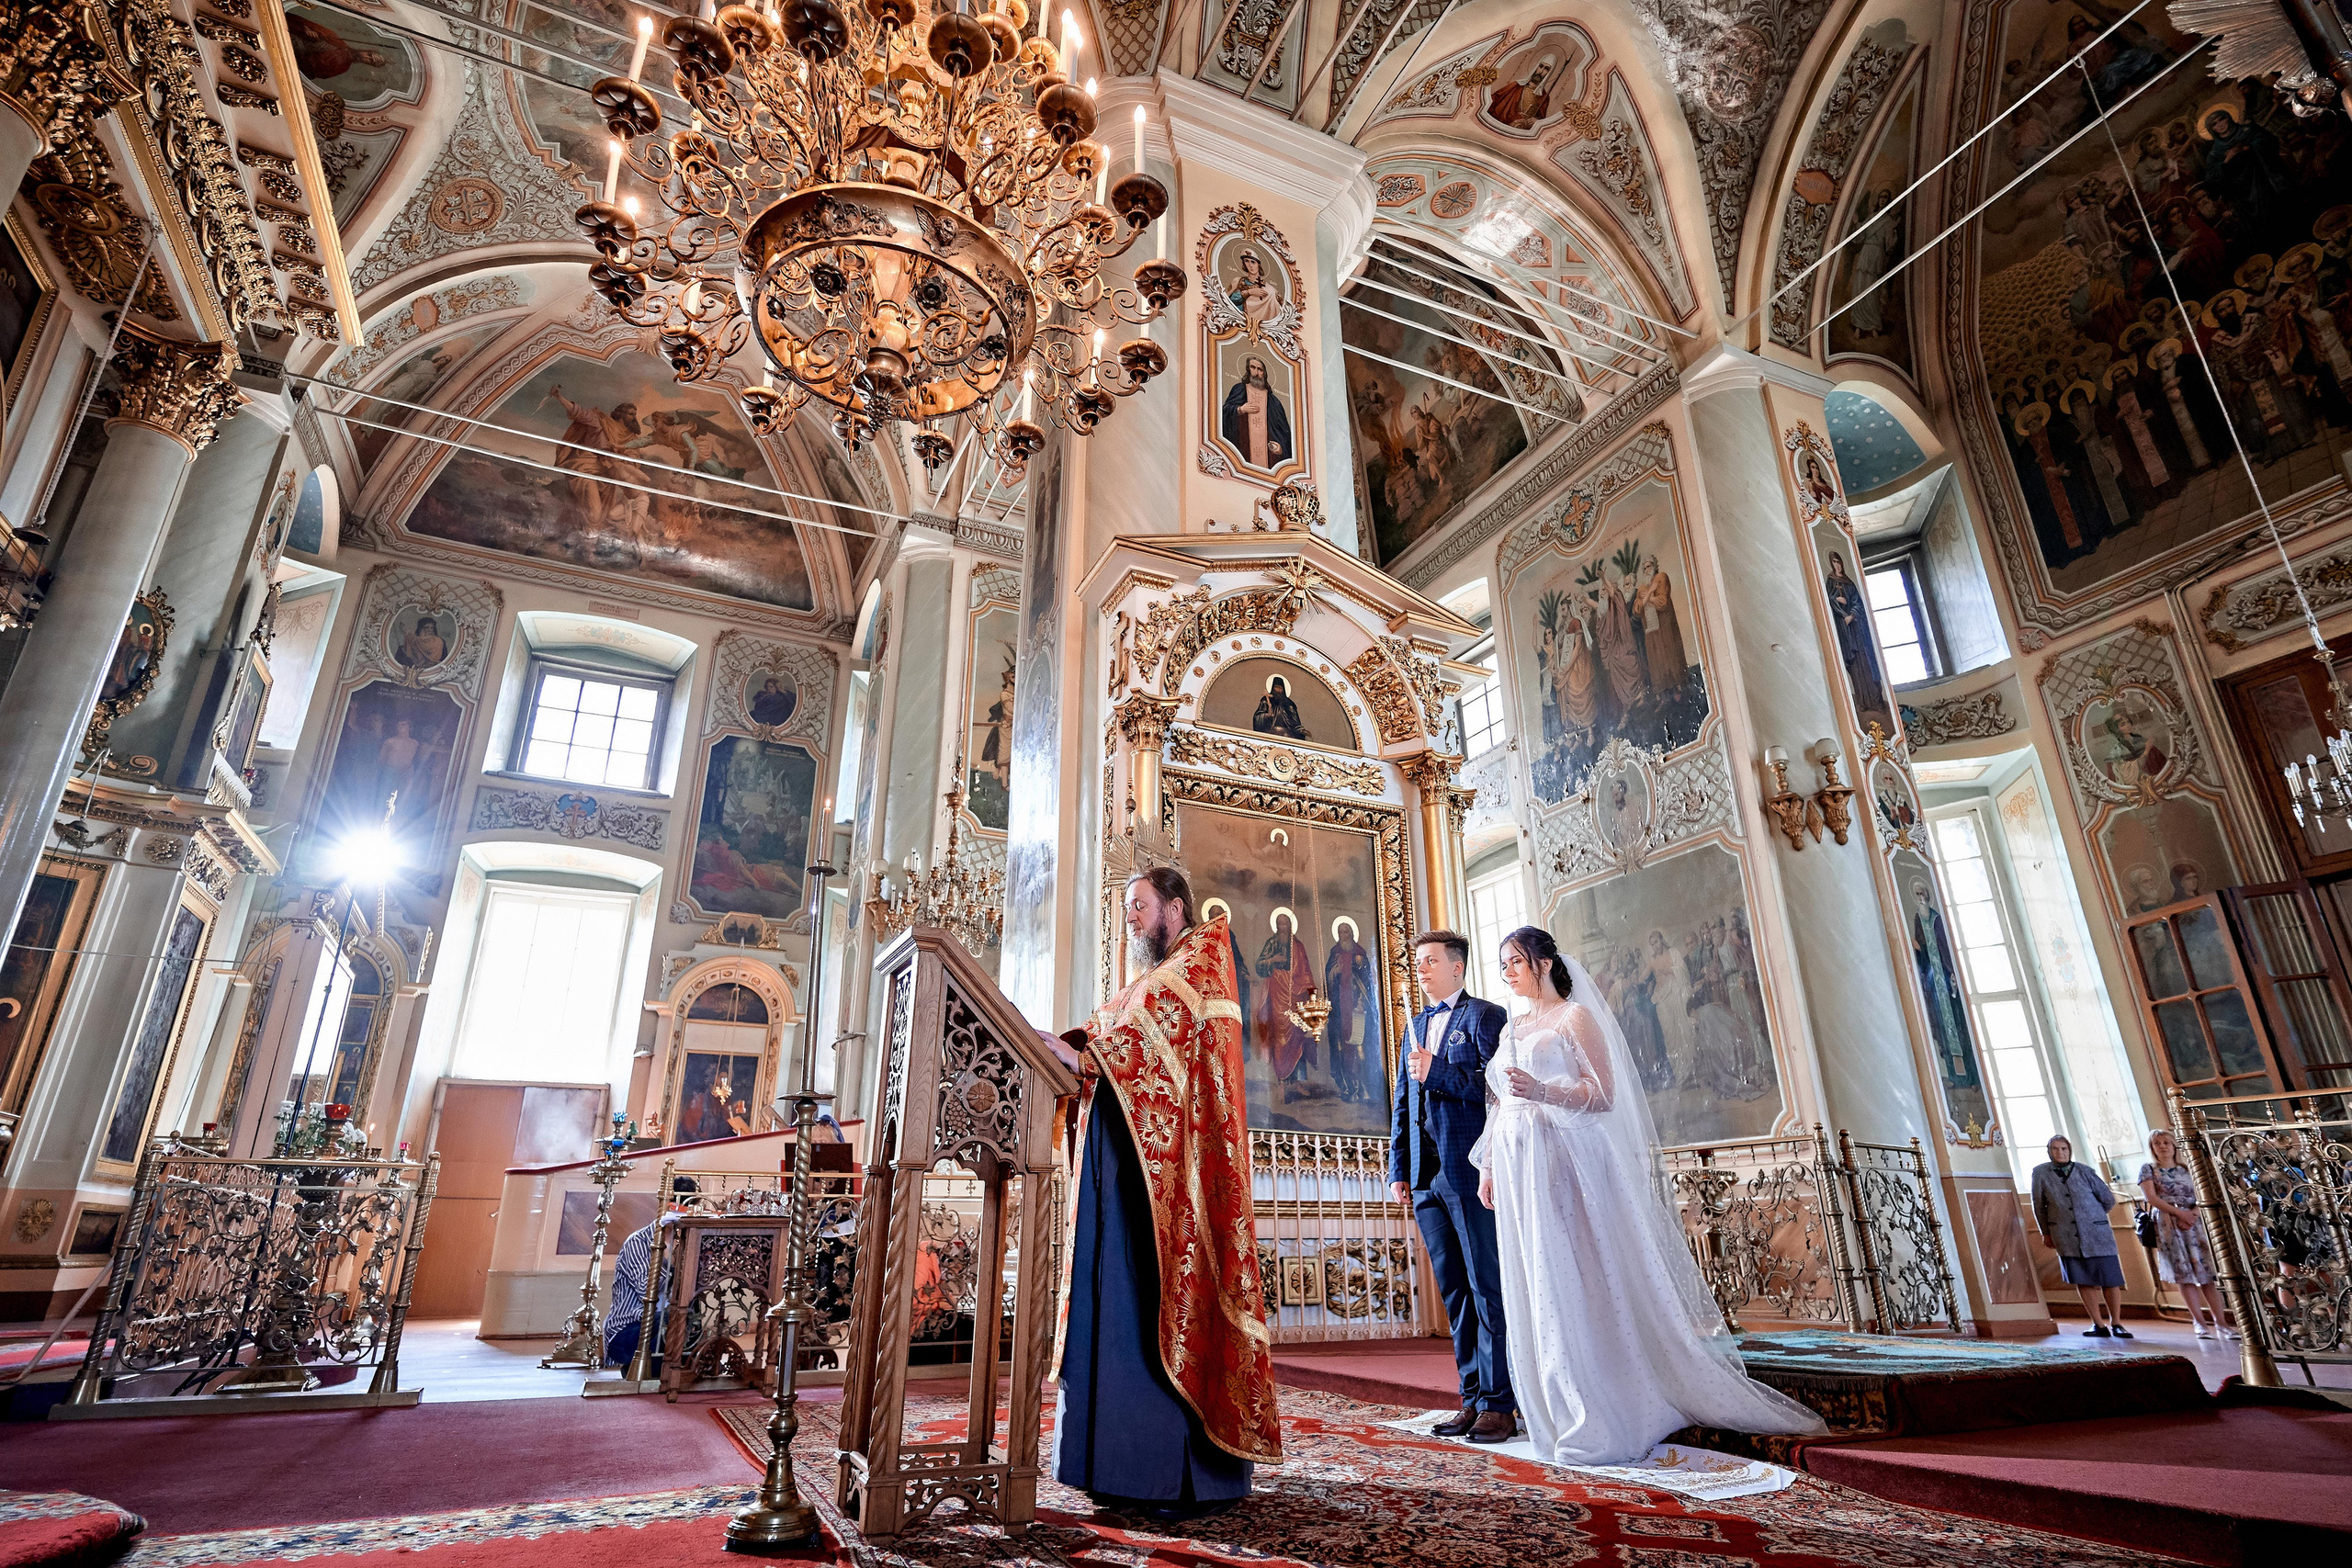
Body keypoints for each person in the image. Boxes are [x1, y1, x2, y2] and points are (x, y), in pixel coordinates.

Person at [1469, 927, 1823, 1464]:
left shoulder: (1575, 1018)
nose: (1508, 973)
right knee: (1535, 1275)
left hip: (1566, 1162)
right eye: (1503, 966)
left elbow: (1603, 1094)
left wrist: (1543, 1092)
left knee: (1576, 1271)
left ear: (1543, 962)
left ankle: (1604, 1404)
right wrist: (1488, 1167)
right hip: (1520, 1167)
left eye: (1516, 962)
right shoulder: (1514, 1026)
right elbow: (1499, 1104)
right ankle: (1553, 1407)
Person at [1045, 869, 1279, 1521]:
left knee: (1150, 1303)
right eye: (1125, 908)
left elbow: (1142, 1044)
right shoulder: (1153, 977)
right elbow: (1113, 1034)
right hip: (1127, 1174)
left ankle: (1167, 1475)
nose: (1130, 919)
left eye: (1138, 906)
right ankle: (1108, 1463)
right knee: (1115, 1301)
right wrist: (1067, 1047)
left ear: (1175, 907)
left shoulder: (1200, 964)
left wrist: (1087, 1052)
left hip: (1175, 1183)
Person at [1387, 931, 1514, 1442]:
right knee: (1455, 1292)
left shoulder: (1485, 1017)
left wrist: (1436, 1070)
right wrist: (1399, 1168)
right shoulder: (1414, 1026)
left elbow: (1497, 1089)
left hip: (1469, 1171)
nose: (1420, 969)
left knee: (1487, 1285)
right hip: (1424, 1178)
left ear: (1457, 968)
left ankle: (1500, 1403)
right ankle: (1470, 1398)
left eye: (1430, 961)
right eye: (1417, 962)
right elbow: (1402, 1103)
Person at [2032, 1134, 2131, 1337]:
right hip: (2065, 1235)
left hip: (2097, 1234)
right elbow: (2039, 1206)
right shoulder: (2040, 1173)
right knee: (2083, 1279)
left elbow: (2107, 1199)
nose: (2060, 1153)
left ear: (2070, 1150)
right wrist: (2046, 1232)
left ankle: (2117, 1323)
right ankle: (2098, 1324)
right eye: (2055, 1149)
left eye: (2064, 1149)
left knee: (2110, 1279)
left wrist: (2089, 1216)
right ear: (2049, 1151)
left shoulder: (2086, 1171)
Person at [2139, 1128, 2232, 1338]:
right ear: (2152, 1148)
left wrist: (2193, 1214)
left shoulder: (2187, 1169)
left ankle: (2222, 1323)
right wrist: (2179, 1214)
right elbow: (2152, 1198)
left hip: (2194, 1222)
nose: (2162, 1146)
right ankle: (2199, 1322)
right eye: (2157, 1143)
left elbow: (2204, 1193)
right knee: (2185, 1276)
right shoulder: (2148, 1169)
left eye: (2166, 1142)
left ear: (2174, 1146)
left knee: (2207, 1274)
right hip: (2168, 1223)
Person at [604, 1177, 698, 1369]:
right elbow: (648, 1291)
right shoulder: (639, 1242)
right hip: (628, 1329)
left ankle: (682, 1366)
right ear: (665, 1206)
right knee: (673, 1318)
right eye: (677, 1207)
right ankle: (642, 1366)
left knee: (694, 1317)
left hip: (667, 1324)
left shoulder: (689, 1242)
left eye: (688, 1208)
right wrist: (671, 1262)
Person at [1220, 356, 1291, 470]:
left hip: (1269, 459)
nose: (1256, 372)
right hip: (1242, 450)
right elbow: (1224, 413)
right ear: (1248, 370)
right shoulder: (1240, 389)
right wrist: (1240, 410)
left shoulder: (1273, 401)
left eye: (1260, 369)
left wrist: (1281, 448)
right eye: (1253, 368)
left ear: (1264, 373)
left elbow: (1284, 431)